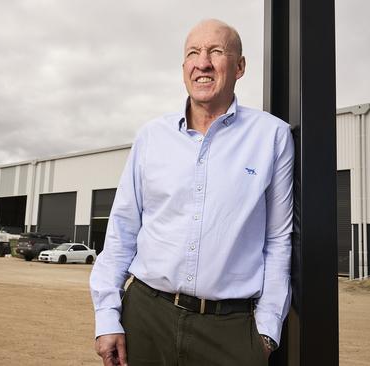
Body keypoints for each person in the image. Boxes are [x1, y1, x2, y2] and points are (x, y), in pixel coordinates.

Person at [90, 19, 294, 366]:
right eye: (193, 53)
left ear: (239, 67)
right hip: (146, 318)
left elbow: (277, 240)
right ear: (184, 67)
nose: (203, 62)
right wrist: (108, 316)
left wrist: (266, 333)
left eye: (216, 52)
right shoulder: (151, 137)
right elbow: (122, 230)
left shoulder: (271, 137)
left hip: (228, 330)